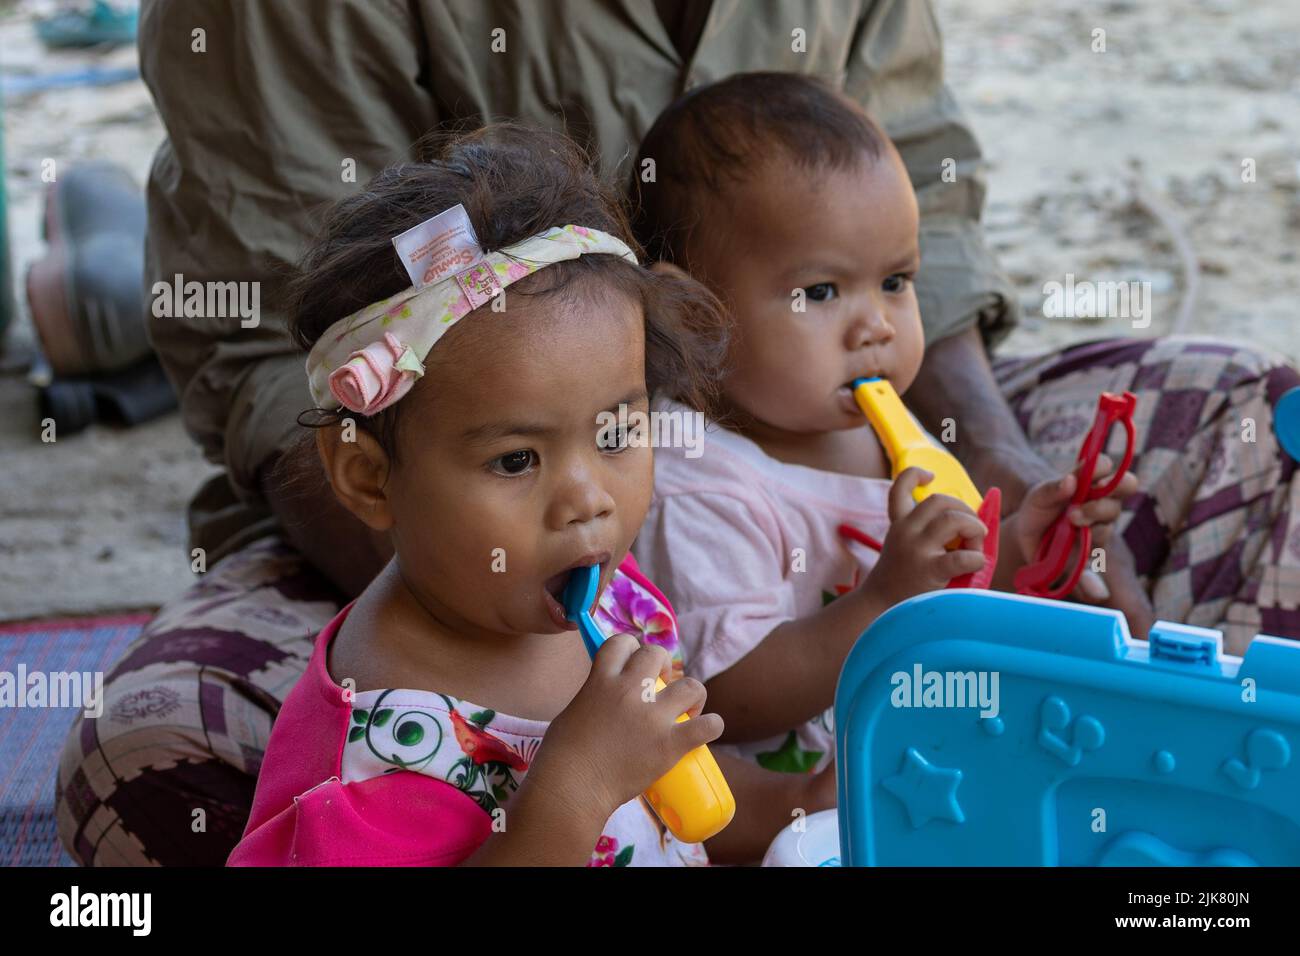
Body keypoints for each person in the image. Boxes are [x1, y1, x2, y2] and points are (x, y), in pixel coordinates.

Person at [57, 0, 1300, 865]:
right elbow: (273, 362)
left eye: (619, 436)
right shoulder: (380, 750)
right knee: (150, 759)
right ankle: (95, 281)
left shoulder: (619, 588)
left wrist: (829, 793)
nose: (589, 500)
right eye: (517, 461)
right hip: (383, 513)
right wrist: (565, 793)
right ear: (371, 474)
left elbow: (714, 802)